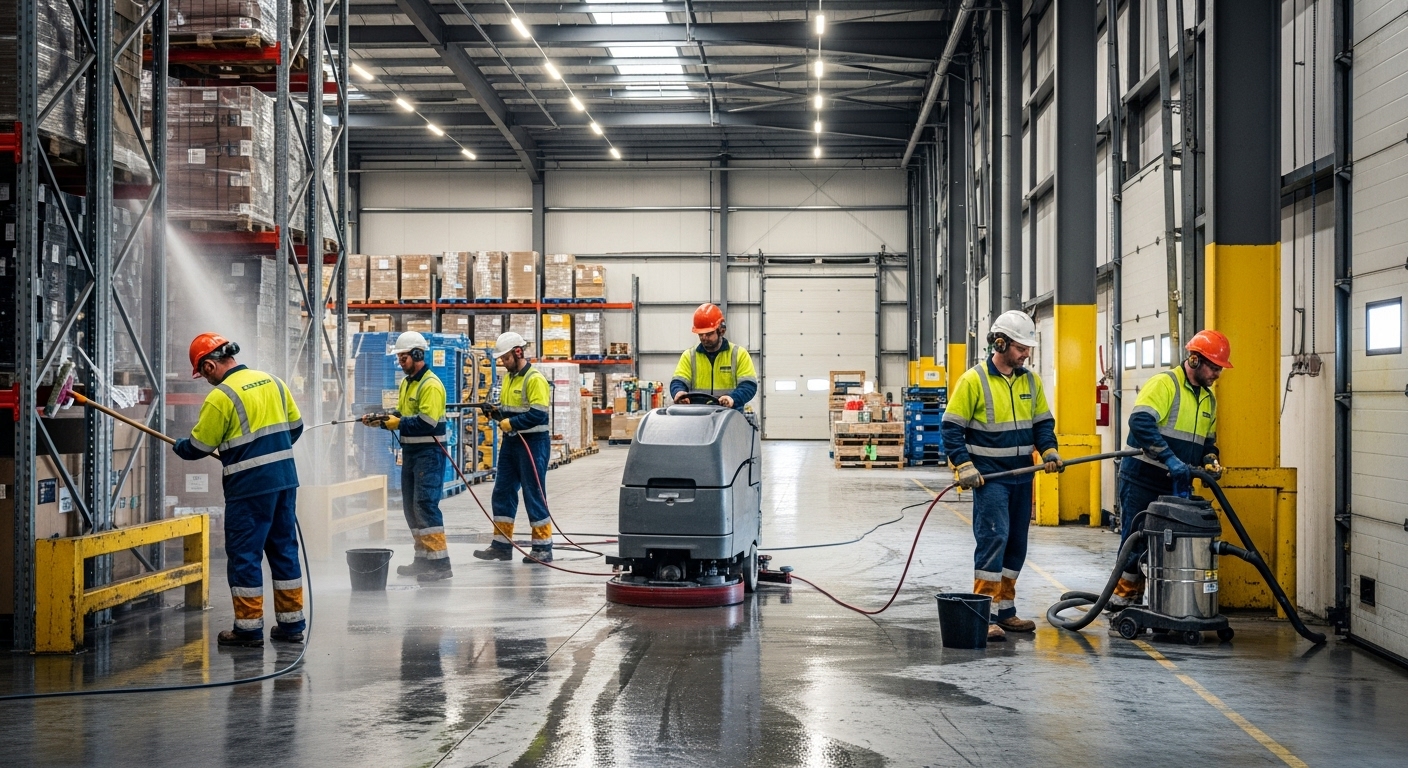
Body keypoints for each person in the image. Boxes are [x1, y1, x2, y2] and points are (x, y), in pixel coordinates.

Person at [173, 333, 305, 648]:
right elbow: (296, 428)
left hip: (249, 490)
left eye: (202, 374)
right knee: (284, 550)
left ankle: (247, 629)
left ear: (207, 366)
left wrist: (180, 446)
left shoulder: (221, 397)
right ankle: (291, 625)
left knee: (245, 556)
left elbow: (199, 446)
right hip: (285, 482)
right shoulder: (272, 381)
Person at [941, 310, 1063, 643]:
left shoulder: (1031, 381)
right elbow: (951, 428)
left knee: (1016, 545)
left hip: (1024, 477)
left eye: (1028, 348)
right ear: (1001, 342)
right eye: (1021, 347)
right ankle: (985, 613)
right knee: (994, 540)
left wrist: (1049, 451)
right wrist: (964, 465)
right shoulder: (973, 380)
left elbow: (1042, 425)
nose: (1026, 353)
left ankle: (1006, 610)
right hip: (991, 479)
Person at [1109, 329, 1228, 610]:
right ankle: (1122, 601)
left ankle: (1159, 605)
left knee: (1165, 546)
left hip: (1174, 486)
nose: (1217, 374)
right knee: (1135, 541)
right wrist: (1170, 458)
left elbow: (1207, 442)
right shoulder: (1165, 385)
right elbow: (1140, 423)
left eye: (1220, 368)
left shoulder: (1208, 400)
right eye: (1213, 366)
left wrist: (1210, 458)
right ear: (1195, 361)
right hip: (1143, 478)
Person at [360, 331, 453, 582]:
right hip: (411, 453)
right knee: (411, 508)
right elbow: (402, 414)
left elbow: (427, 422)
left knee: (425, 505)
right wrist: (380, 420)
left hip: (429, 454)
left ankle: (440, 563)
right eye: (399, 357)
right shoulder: (407, 383)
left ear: (418, 355)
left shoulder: (430, 385)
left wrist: (396, 423)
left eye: (403, 357)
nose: (400, 362)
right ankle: (423, 559)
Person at [473, 332, 555, 563]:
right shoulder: (509, 378)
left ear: (518, 352)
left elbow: (538, 414)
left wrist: (513, 423)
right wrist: (495, 413)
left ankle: (543, 547)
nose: (502, 362)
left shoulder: (534, 379)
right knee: (502, 491)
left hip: (533, 444)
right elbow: (510, 411)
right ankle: (501, 545)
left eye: (505, 358)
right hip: (512, 443)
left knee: (533, 493)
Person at [670, 303, 758, 411]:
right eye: (700, 334)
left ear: (721, 330)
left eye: (709, 333)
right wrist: (679, 392)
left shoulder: (739, 354)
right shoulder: (689, 356)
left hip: (729, 417)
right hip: (697, 417)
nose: (704, 338)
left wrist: (732, 398)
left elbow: (749, 385)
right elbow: (678, 381)